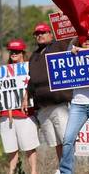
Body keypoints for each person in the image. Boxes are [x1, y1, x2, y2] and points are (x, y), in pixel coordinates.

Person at [23, 23, 73, 164]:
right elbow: (31, 79)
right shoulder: (34, 55)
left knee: (66, 140)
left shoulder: (59, 46)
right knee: (55, 142)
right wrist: (26, 95)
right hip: (43, 107)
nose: (40, 35)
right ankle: (63, 168)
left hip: (59, 103)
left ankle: (69, 169)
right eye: (37, 34)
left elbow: (72, 41)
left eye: (43, 32)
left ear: (51, 34)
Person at [59, 35, 89, 174]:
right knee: (68, 139)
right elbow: (71, 45)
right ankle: (66, 171)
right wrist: (75, 45)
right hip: (77, 104)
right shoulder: (73, 50)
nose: (87, 41)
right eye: (84, 39)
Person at [0, 39, 39, 174]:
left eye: (16, 51)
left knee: (29, 147)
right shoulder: (3, 71)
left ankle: (33, 172)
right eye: (11, 51)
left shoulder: (30, 68)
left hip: (25, 114)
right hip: (6, 115)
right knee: (11, 149)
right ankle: (12, 172)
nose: (13, 54)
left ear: (22, 53)